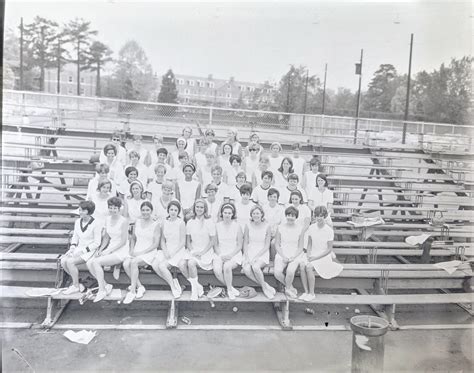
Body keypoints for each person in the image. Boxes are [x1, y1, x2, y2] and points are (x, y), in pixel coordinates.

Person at [88, 197, 129, 302]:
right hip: (111, 247)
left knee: (96, 262)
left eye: (115, 208)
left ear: (119, 208)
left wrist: (109, 251)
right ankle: (106, 285)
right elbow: (106, 237)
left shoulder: (124, 221)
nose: (112, 210)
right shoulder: (107, 219)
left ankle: (101, 290)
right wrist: (101, 249)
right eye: (110, 208)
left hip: (121, 250)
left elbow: (123, 241)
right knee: (90, 262)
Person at [299, 206, 343, 301]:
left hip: (323, 255)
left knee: (309, 267)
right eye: (317, 216)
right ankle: (306, 292)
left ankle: (312, 293)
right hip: (312, 253)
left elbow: (329, 249)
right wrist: (308, 254)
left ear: (325, 216)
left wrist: (315, 258)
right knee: (302, 265)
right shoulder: (311, 227)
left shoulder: (329, 230)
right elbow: (309, 244)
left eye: (321, 216)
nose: (319, 218)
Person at [122, 201, 161, 304]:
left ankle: (132, 291)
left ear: (151, 211)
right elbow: (133, 238)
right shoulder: (137, 222)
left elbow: (156, 244)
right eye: (143, 210)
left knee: (134, 263)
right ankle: (140, 287)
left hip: (149, 251)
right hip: (137, 249)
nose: (145, 212)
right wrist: (131, 250)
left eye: (147, 210)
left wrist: (142, 252)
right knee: (126, 264)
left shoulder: (156, 224)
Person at [61, 201, 102, 294]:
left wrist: (84, 250)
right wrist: (72, 247)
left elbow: (97, 243)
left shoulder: (96, 223)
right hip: (78, 248)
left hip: (90, 250)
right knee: (63, 261)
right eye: (79, 210)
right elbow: (75, 236)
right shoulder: (77, 221)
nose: (79, 212)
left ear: (88, 211)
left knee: (70, 262)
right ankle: (78, 282)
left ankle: (75, 286)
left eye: (82, 210)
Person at [152, 200, 187, 298]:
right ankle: (173, 282)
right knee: (155, 265)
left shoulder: (181, 223)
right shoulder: (164, 222)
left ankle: (173, 288)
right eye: (171, 209)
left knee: (162, 266)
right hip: (166, 249)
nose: (173, 212)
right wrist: (165, 251)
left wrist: (172, 253)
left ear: (178, 211)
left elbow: (182, 242)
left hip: (177, 250)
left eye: (175, 210)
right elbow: (162, 239)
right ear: (168, 210)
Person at [183, 199, 216, 300]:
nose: (199, 209)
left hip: (205, 251)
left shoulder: (209, 222)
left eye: (201, 207)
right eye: (197, 207)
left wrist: (202, 252)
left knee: (191, 263)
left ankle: (194, 291)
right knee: (181, 264)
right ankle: (197, 286)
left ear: (205, 209)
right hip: (193, 249)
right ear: (194, 208)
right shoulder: (190, 222)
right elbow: (188, 241)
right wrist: (193, 251)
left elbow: (212, 241)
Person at [242, 205, 276, 299]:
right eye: (253, 213)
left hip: (262, 252)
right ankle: (265, 285)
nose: (255, 215)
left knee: (255, 267)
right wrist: (247, 256)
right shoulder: (247, 225)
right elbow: (245, 242)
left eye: (257, 213)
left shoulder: (267, 226)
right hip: (250, 250)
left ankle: (265, 290)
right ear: (251, 215)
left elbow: (266, 245)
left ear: (261, 214)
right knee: (246, 269)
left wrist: (256, 257)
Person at [213, 203, 243, 300]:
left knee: (226, 267)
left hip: (234, 254)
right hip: (220, 253)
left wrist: (230, 255)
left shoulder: (237, 226)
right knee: (217, 270)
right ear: (222, 213)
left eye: (229, 213)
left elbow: (239, 245)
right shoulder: (217, 226)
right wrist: (221, 255)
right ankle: (231, 288)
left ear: (232, 214)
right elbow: (215, 244)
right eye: (225, 212)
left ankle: (229, 291)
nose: (227, 215)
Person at [274, 206, 305, 298]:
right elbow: (277, 245)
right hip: (282, 253)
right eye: (288, 215)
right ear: (286, 216)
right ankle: (290, 287)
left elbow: (300, 247)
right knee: (277, 272)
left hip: (295, 254)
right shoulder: (280, 227)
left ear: (296, 217)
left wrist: (293, 257)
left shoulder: (300, 229)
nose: (290, 217)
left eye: (293, 216)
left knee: (290, 271)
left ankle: (287, 289)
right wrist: (283, 256)